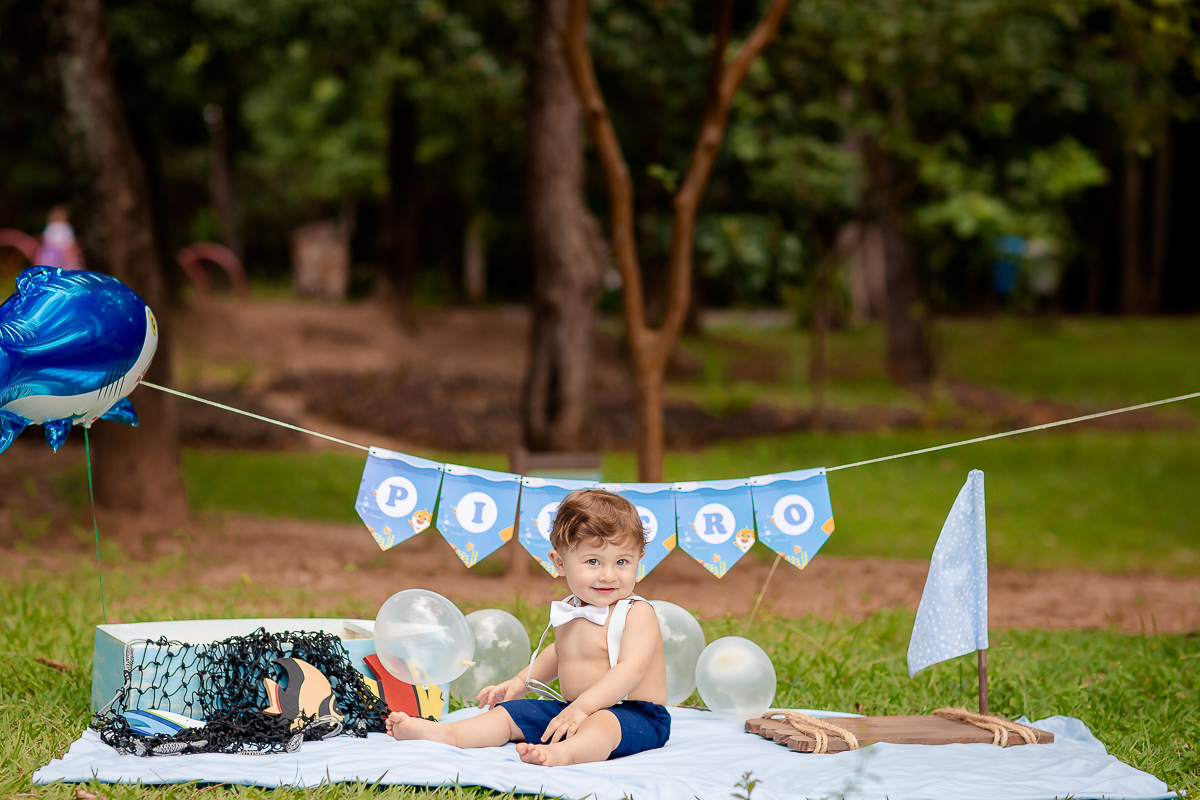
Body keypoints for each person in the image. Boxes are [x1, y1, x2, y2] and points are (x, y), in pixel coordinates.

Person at [386, 488, 670, 766]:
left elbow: (631, 669)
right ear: (560, 563)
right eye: (593, 561)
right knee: (513, 713)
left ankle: (564, 754)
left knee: (602, 725)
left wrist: (582, 709)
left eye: (622, 562)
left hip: (635, 714)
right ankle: (446, 734)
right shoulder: (571, 608)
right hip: (572, 709)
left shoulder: (636, 612)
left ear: (639, 561)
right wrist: (521, 683)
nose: (608, 575)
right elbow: (559, 652)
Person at [34, 205, 83, 270]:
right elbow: (69, 241)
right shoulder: (66, 227)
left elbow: (47, 240)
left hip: (52, 252)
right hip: (63, 251)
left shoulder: (50, 227)